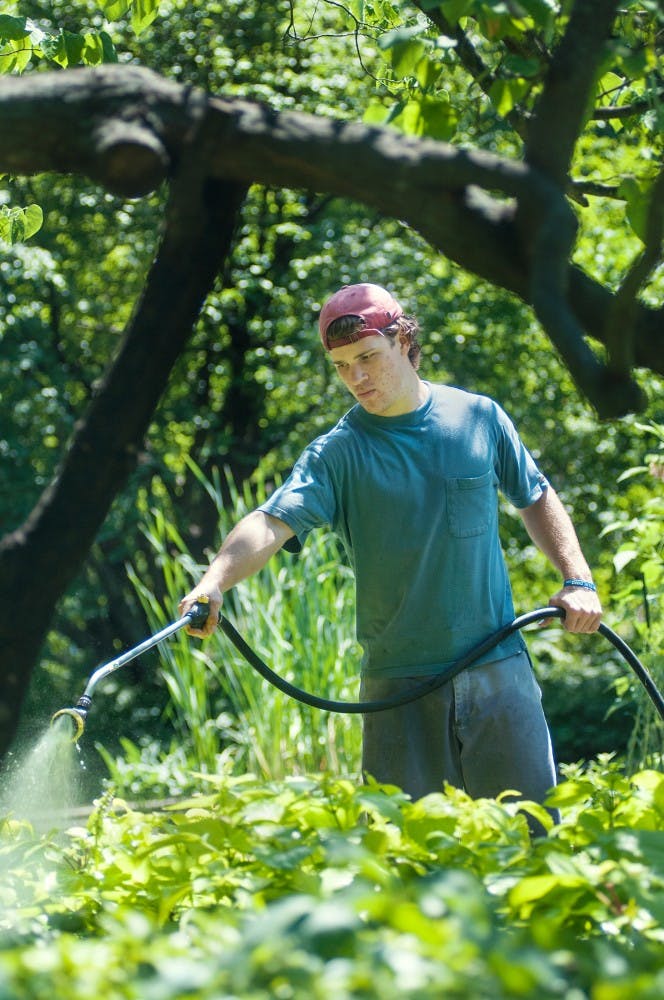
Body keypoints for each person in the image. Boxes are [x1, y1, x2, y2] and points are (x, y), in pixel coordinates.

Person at [179, 282, 602, 827]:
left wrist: (579, 579)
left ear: (403, 341)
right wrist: (213, 582)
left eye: (367, 358)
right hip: (398, 689)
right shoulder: (336, 455)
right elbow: (270, 521)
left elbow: (536, 495)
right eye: (341, 366)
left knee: (538, 839)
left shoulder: (478, 418)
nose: (356, 378)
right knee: (412, 870)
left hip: (500, 669)